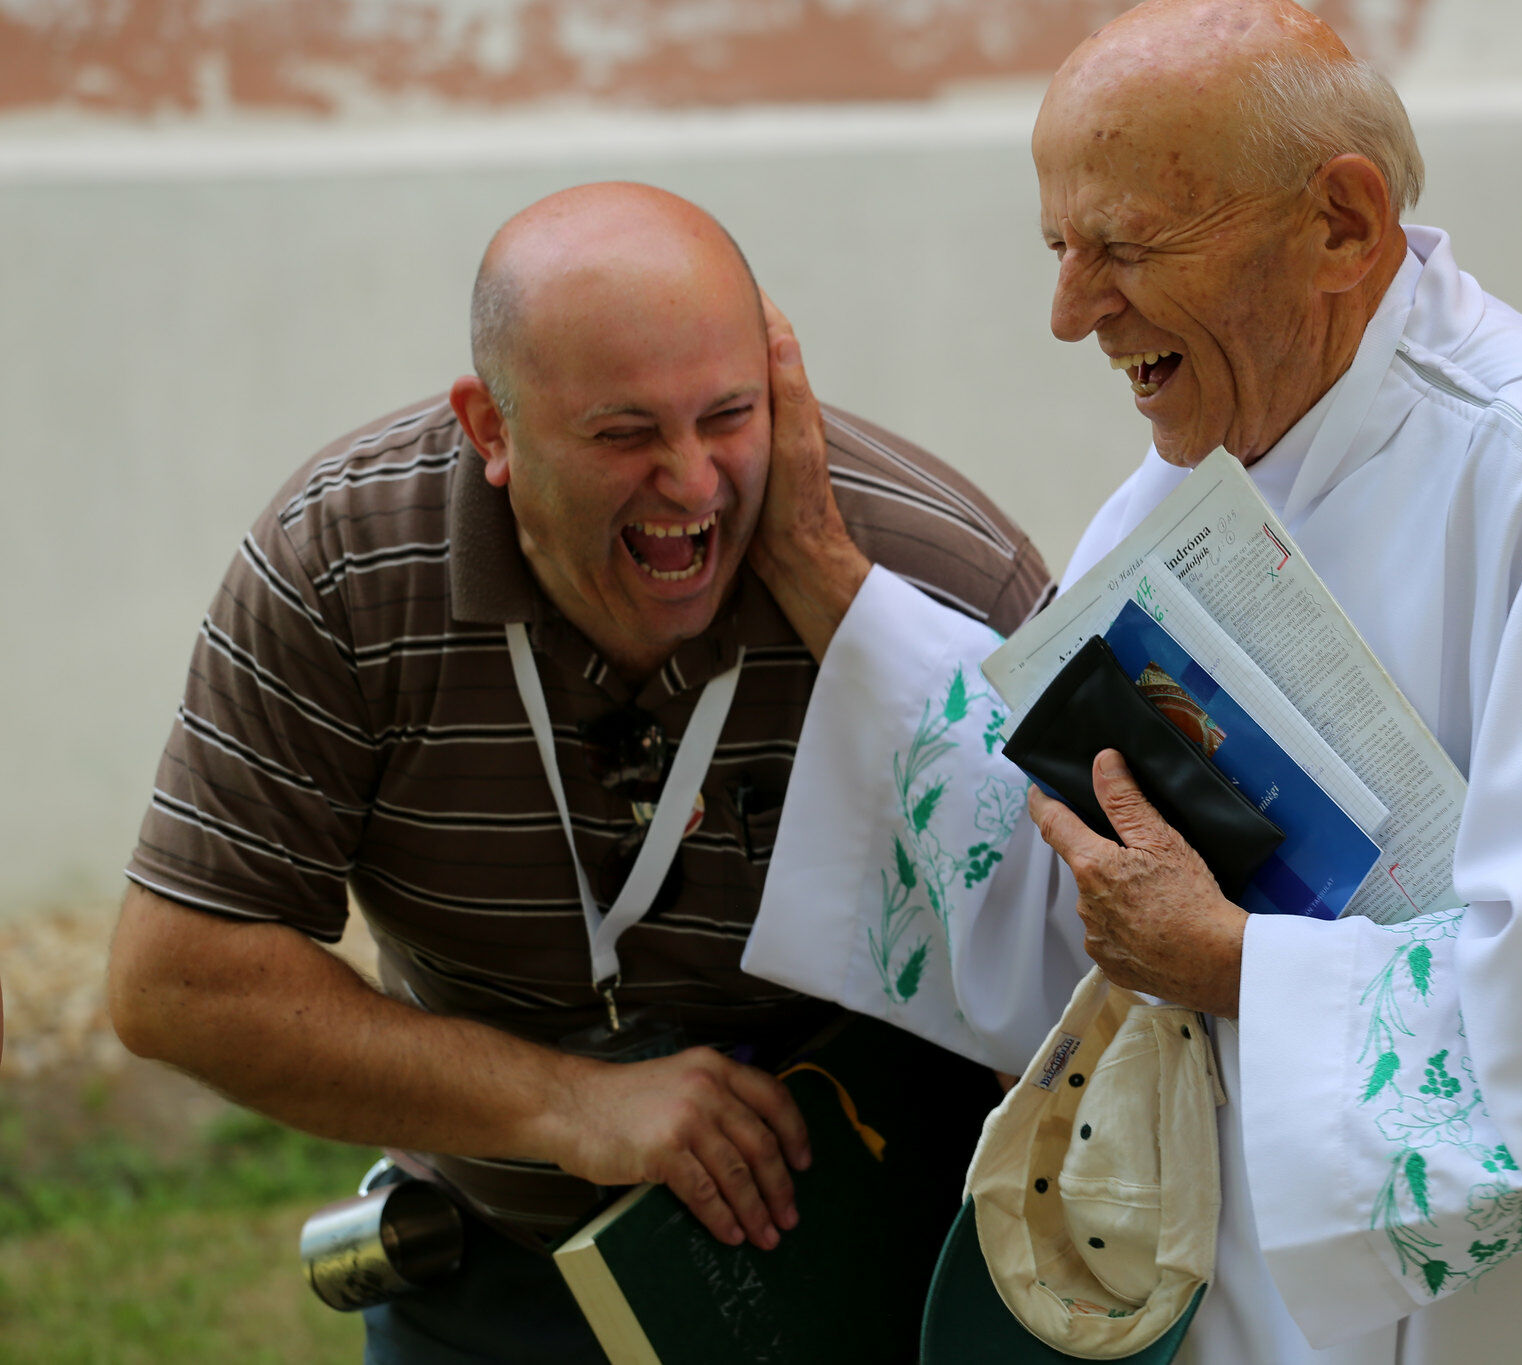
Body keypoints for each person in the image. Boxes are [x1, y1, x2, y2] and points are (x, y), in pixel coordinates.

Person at [734, 1, 1522, 1360]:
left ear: (1342, 223)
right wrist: (817, 570)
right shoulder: (1176, 486)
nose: (1069, 312)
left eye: (1126, 247)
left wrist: (1234, 962)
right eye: (1058, 249)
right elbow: (1077, 892)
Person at [105, 182, 1052, 1361]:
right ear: (489, 430)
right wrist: (569, 1107)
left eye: (728, 416)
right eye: (624, 434)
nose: (695, 483)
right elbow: (177, 983)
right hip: (493, 1259)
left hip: (882, 1268)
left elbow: (1094, 971)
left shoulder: (935, 574)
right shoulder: (341, 569)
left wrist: (841, 605)